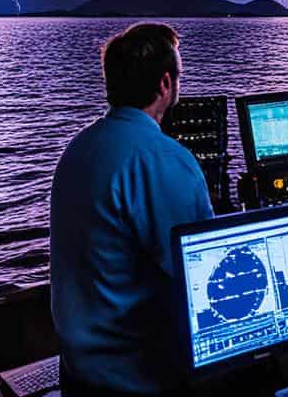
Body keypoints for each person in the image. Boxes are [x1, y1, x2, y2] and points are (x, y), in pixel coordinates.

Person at [50, 23, 213, 396]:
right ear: (165, 85)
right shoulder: (166, 160)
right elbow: (201, 279)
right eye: (178, 75)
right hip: (140, 381)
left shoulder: (77, 149)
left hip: (78, 375)